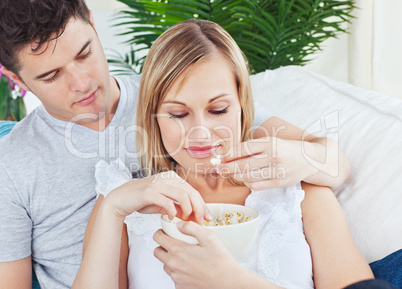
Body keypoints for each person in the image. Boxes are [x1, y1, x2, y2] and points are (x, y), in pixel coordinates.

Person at [0, 1, 351, 288]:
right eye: (52, 75)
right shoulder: (14, 166)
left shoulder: (183, 78)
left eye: (84, 53)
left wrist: (305, 161)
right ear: (15, 78)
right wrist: (113, 208)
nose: (81, 83)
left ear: (92, 22)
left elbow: (327, 158)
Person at [71, 19, 374, 289]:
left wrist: (231, 281)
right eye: (178, 114)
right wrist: (112, 208)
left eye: (218, 110)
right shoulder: (123, 197)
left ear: (243, 107)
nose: (201, 133)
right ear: (153, 116)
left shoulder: (298, 187)